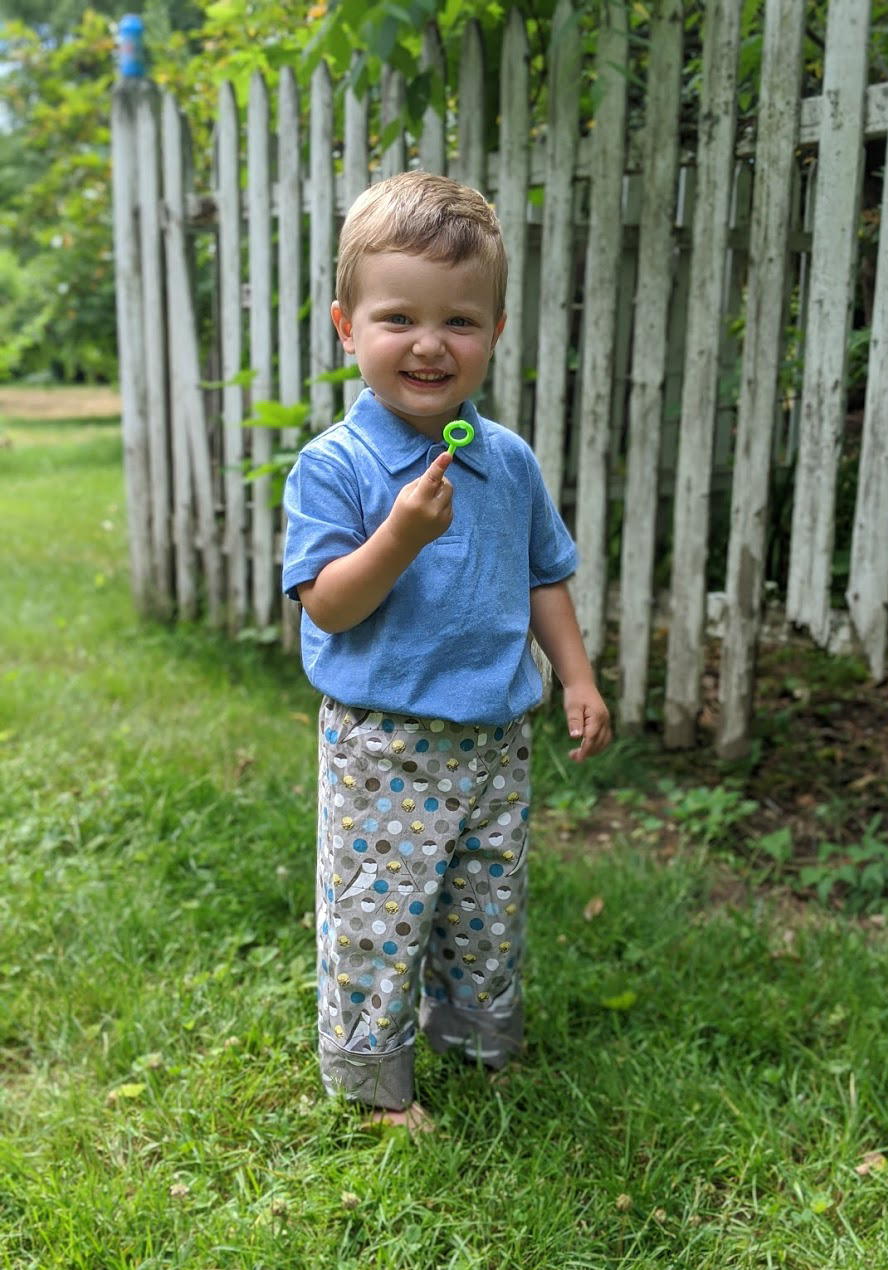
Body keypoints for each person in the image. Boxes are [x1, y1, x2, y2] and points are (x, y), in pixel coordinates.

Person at [282, 170, 611, 1130]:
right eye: (398, 319)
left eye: (460, 322)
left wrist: (577, 674)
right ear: (347, 327)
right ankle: (373, 1081)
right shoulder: (335, 468)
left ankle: (475, 1039)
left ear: (496, 332)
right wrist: (400, 536)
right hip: (386, 747)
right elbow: (329, 608)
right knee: (379, 919)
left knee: (484, 905)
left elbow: (542, 573)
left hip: (495, 740)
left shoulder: (506, 460)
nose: (430, 344)